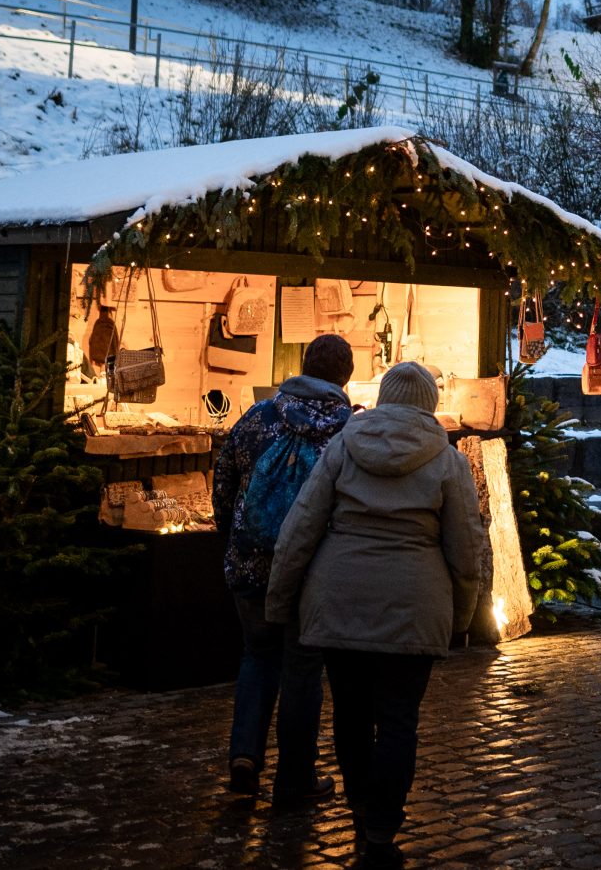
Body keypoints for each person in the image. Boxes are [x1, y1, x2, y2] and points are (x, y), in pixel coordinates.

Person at [265, 361, 485, 870]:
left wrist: (280, 601)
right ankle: (382, 828)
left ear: (384, 399)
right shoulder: (447, 460)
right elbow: (466, 548)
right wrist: (462, 617)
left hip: (339, 601)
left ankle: (362, 808)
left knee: (351, 713)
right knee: (398, 720)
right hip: (415, 605)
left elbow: (301, 526)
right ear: (429, 404)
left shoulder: (343, 446)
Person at [210, 331, 356, 806]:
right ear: (345, 377)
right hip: (311, 573)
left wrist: (231, 534)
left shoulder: (258, 417)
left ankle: (244, 759)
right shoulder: (348, 431)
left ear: (303, 366)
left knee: (257, 658)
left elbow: (224, 477)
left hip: (251, 565)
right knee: (302, 670)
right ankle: (295, 779)